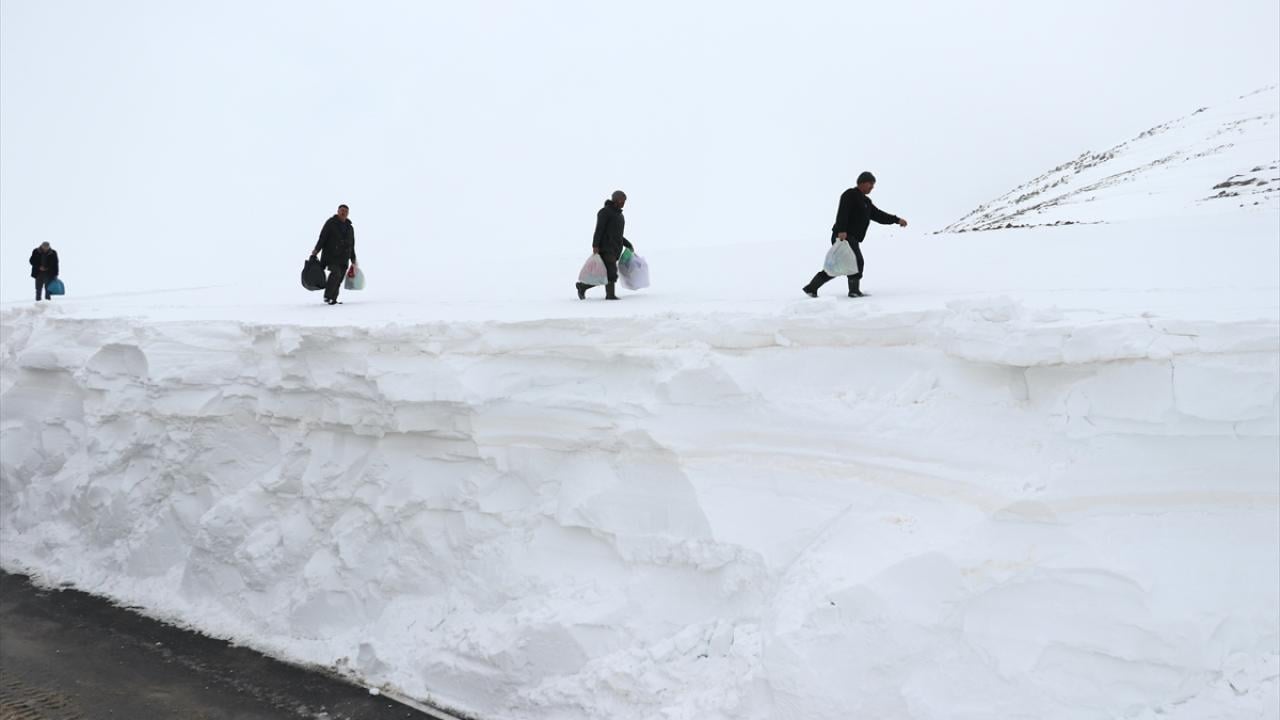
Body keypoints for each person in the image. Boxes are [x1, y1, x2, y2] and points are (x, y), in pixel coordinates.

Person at [802, 171, 908, 298]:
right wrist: (841, 230)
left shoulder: (867, 202)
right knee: (856, 261)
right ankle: (853, 291)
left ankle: (811, 288)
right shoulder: (850, 194)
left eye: (873, 185)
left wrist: (896, 220)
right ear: (862, 182)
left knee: (838, 265)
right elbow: (843, 211)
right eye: (870, 184)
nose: (872, 187)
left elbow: (879, 215)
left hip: (851, 237)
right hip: (844, 236)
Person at [577, 190, 634, 300]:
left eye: (625, 200)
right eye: (622, 200)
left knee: (606, 274)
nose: (624, 203)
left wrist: (627, 244)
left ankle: (582, 287)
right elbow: (599, 229)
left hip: (615, 248)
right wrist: (595, 245)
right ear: (616, 200)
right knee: (611, 272)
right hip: (606, 248)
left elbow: (618, 235)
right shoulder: (605, 212)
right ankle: (610, 295)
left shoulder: (619, 216)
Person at [310, 204, 357, 305]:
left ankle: (333, 299)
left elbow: (352, 244)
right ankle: (327, 296)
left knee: (339, 278)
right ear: (338, 211)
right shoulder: (331, 223)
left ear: (348, 214)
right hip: (331, 256)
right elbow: (322, 237)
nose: (343, 213)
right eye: (341, 210)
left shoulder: (350, 228)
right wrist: (316, 250)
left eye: (345, 211)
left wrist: (353, 258)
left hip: (344, 257)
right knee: (335, 274)